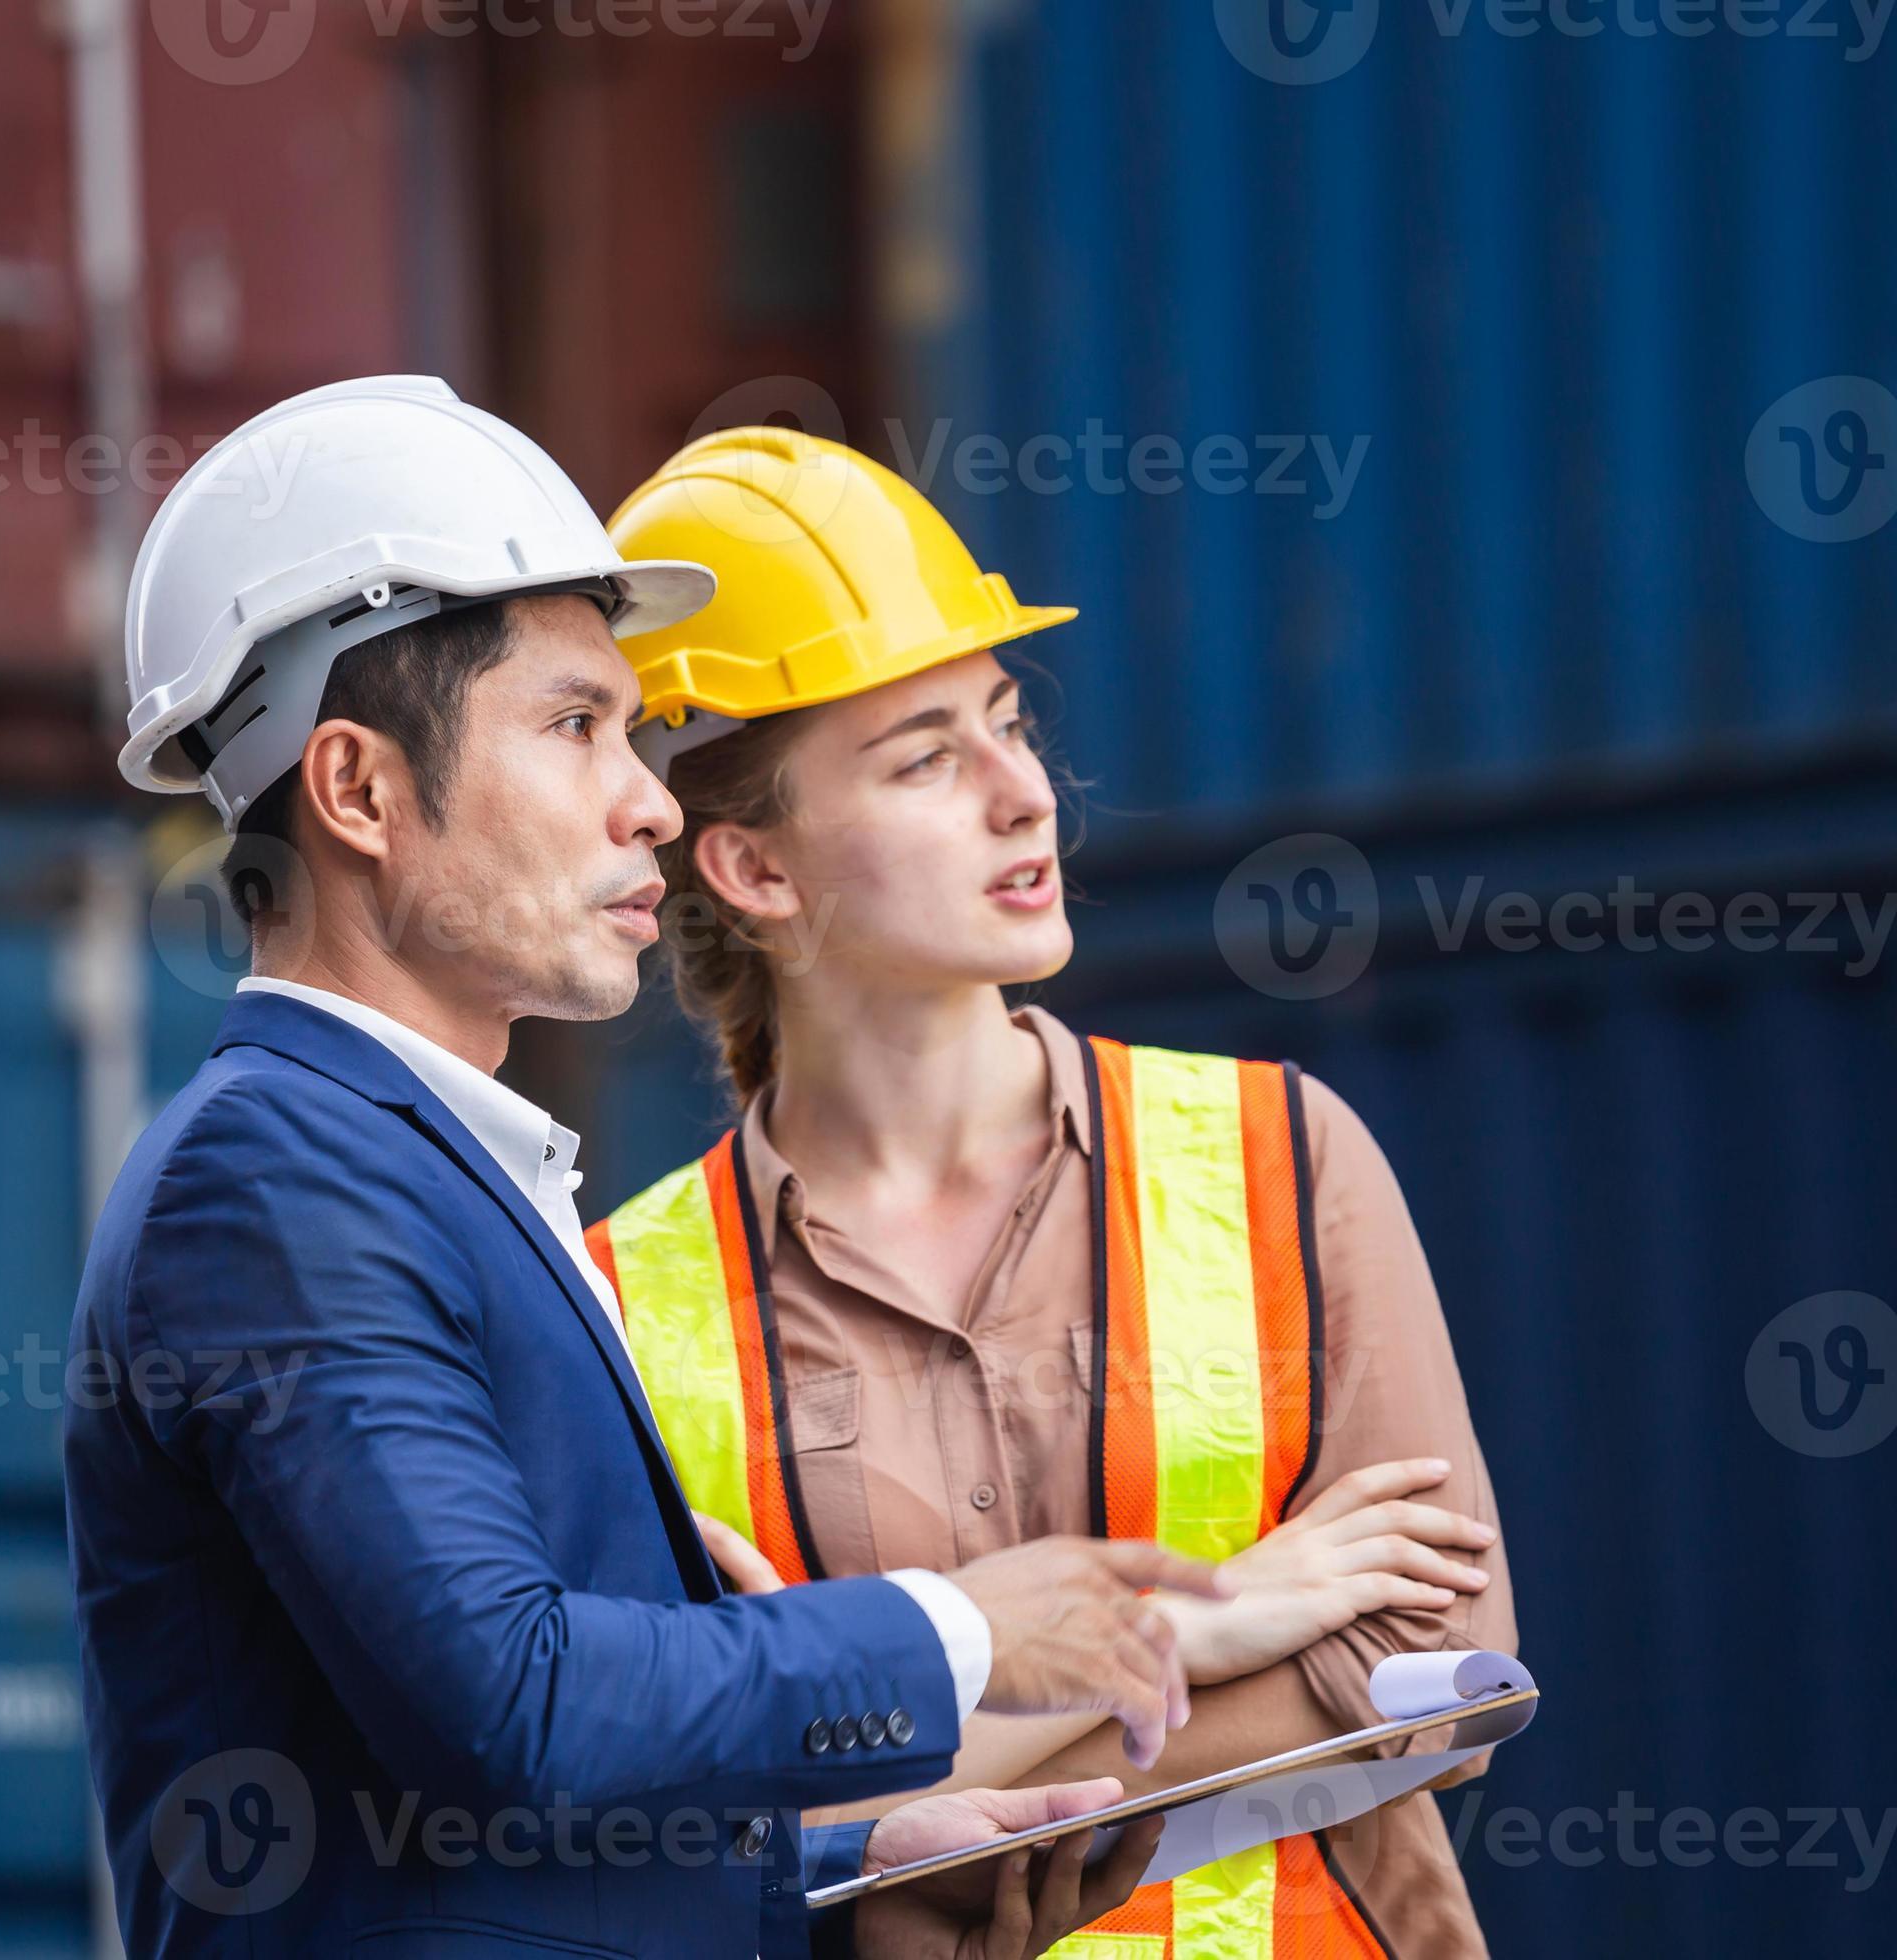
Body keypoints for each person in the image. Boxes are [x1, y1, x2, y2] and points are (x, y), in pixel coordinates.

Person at [67, 376, 1229, 1959]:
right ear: (358, 791)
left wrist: (835, 1884)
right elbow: (516, 1705)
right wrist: (968, 1630)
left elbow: (481, 1841)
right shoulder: (275, 1184)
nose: (654, 803)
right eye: (575, 727)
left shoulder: (426, 1171)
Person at [585, 429, 1520, 1956]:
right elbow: (670, 1834)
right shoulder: (614, 1312)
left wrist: (907, 1824)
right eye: (927, 757)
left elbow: (1443, 1666)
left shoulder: (1284, 1160)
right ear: (755, 870)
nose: (1026, 794)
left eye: (1009, 723)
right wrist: (1200, 1629)